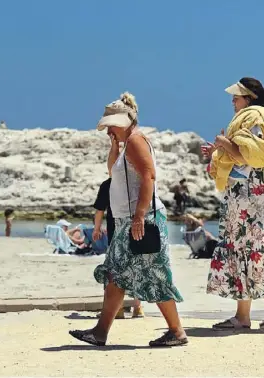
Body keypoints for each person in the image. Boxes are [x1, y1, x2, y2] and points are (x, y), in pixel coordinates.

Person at [69, 92, 187, 347]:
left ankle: (176, 332)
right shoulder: (127, 144)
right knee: (117, 274)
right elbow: (113, 173)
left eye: (111, 124)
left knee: (152, 275)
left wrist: (140, 217)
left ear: (123, 121)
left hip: (141, 219)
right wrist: (115, 147)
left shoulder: (136, 141)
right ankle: (100, 332)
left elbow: (149, 176)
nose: (108, 129)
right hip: (129, 220)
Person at [201, 77, 264, 330]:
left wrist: (223, 143)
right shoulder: (262, 116)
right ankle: (247, 315)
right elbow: (245, 155)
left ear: (249, 97)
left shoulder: (255, 118)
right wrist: (217, 153)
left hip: (247, 194)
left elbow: (252, 157)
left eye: (236, 96)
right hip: (249, 192)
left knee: (245, 247)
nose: (233, 100)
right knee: (242, 248)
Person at [93, 177, 144, 319]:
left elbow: (99, 210)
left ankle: (119, 309)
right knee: (135, 268)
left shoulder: (108, 184)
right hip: (136, 231)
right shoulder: (136, 182)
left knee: (114, 271)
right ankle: (138, 308)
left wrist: (96, 229)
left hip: (115, 233)